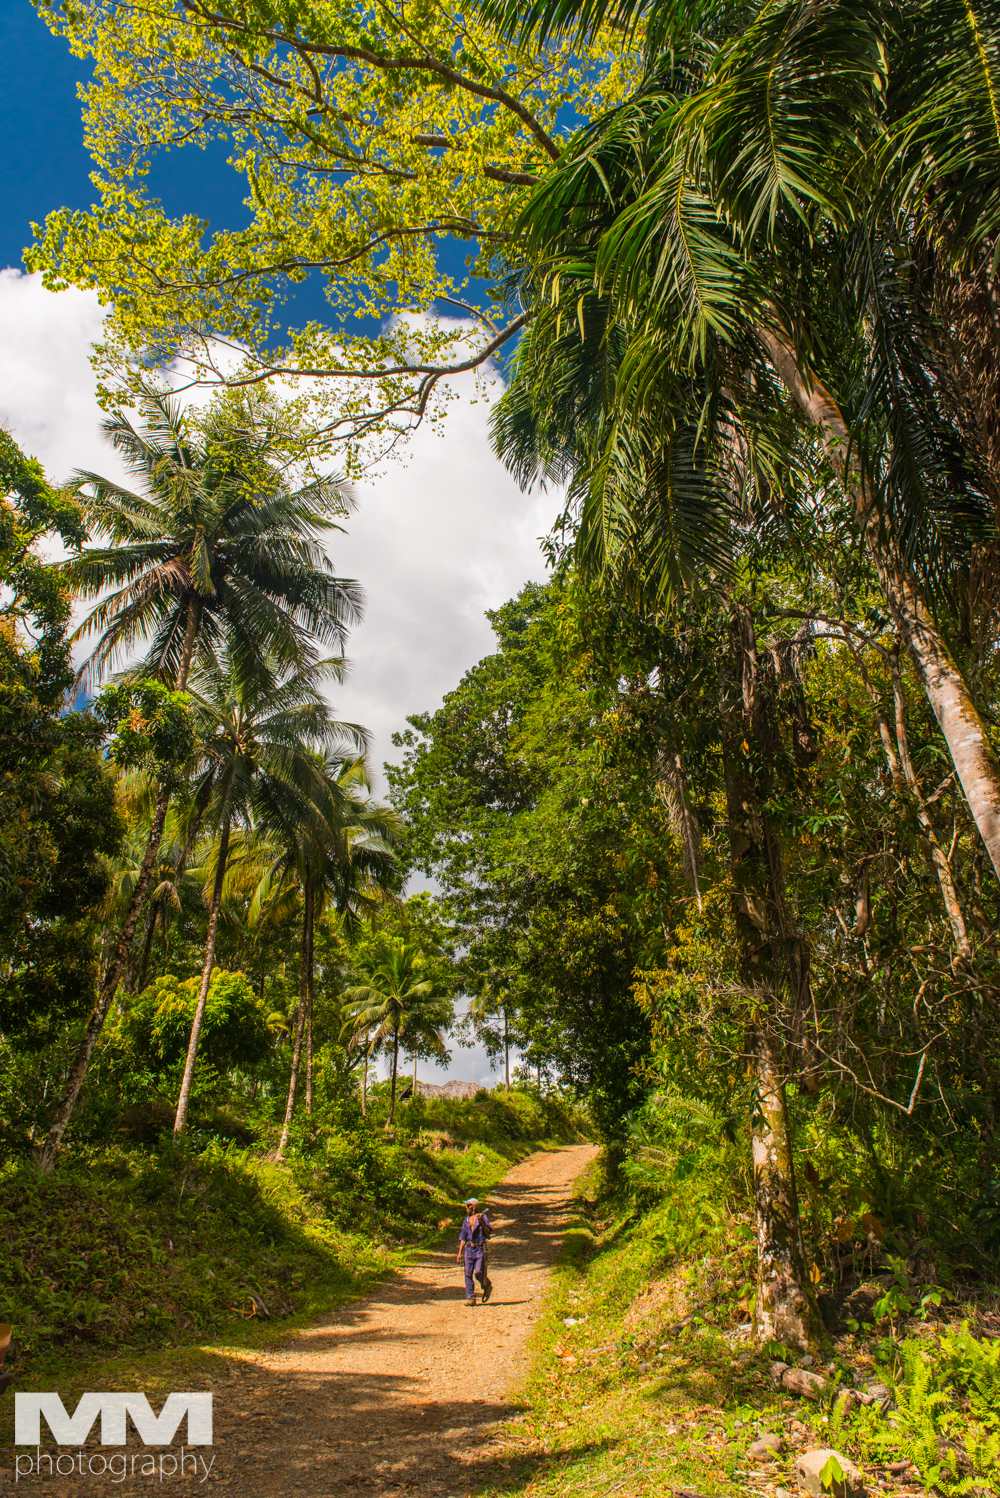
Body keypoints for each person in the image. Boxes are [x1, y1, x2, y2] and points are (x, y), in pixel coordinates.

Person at [456, 1196, 492, 1306]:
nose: (466, 1207)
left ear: (474, 1207)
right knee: (468, 1273)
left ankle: (487, 1285)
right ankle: (471, 1297)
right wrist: (459, 1253)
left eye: (469, 1206)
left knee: (478, 1272)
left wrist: (480, 1221)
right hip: (469, 1249)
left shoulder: (483, 1217)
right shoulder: (466, 1221)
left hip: (479, 1248)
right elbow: (463, 1237)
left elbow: (488, 1234)